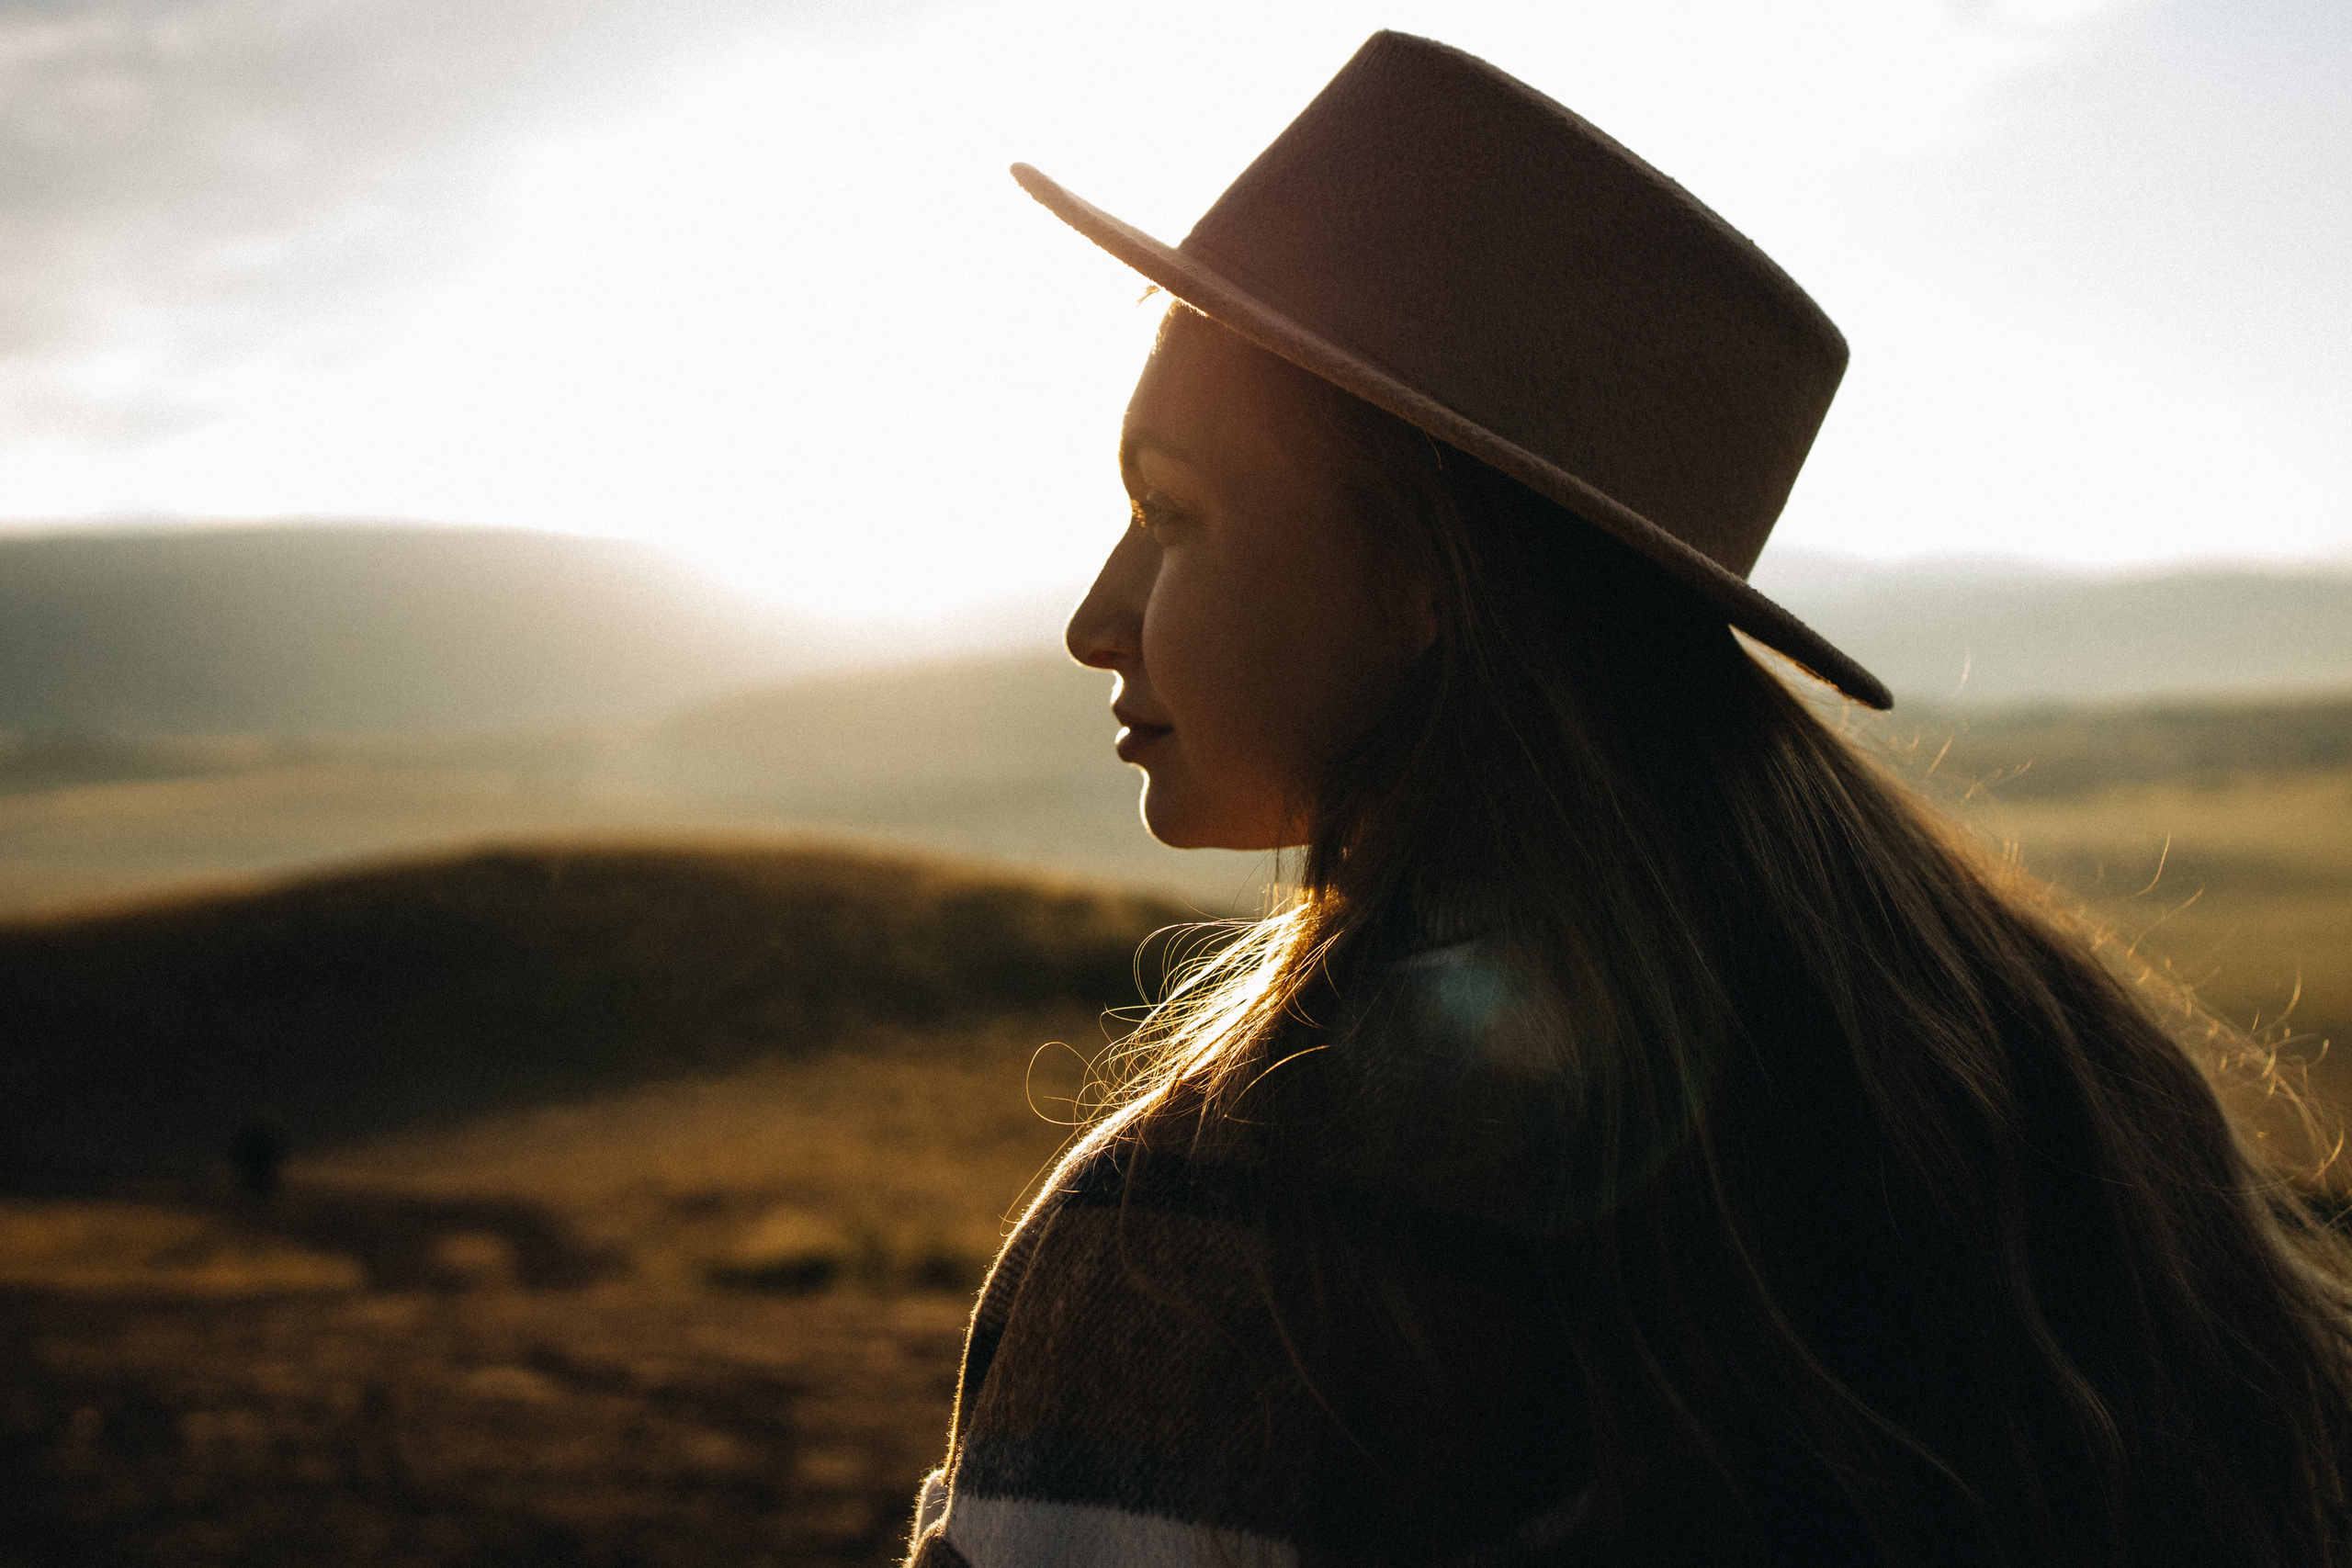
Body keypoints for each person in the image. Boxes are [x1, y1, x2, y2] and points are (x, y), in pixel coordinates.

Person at [906, 32, 2352, 1567]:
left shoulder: (1204, 1250)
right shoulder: (2065, 1136)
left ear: (1426, 575)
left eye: (1167, 512)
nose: (1095, 616)